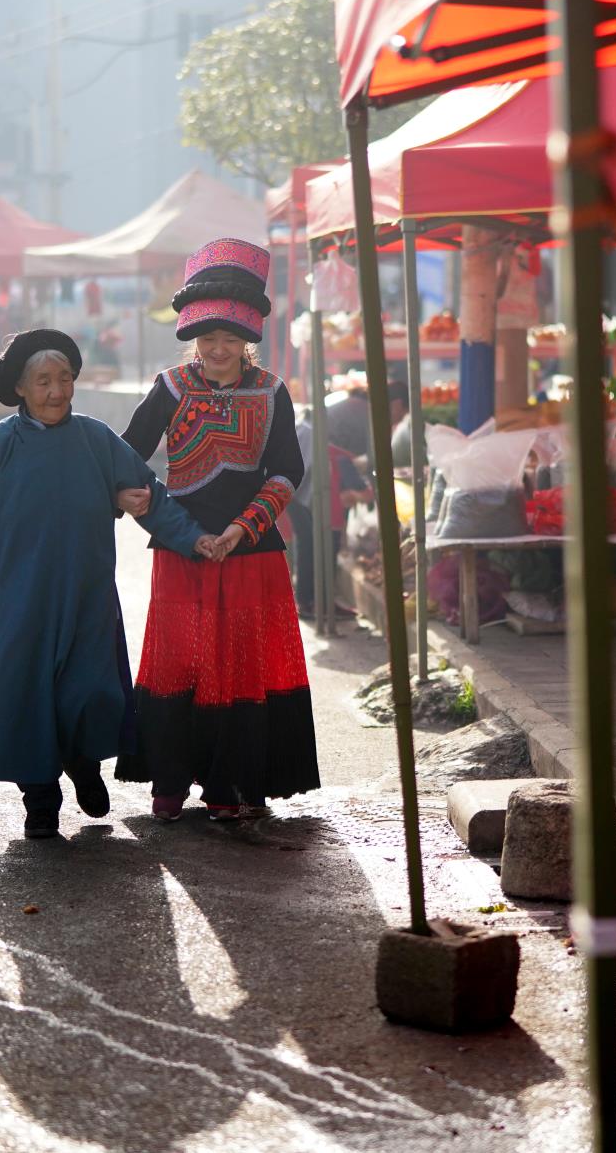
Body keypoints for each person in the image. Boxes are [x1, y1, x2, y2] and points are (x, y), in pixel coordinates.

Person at [0, 329, 210, 840]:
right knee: (24, 696)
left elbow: (149, 495)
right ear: (20, 388)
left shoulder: (95, 438)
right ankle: (39, 798)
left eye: (64, 379)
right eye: (43, 381)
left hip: (87, 595)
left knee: (90, 691)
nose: (57, 391)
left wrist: (195, 540)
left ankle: (83, 763)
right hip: (22, 599)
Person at [115, 238, 322, 821]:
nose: (219, 348)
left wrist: (239, 529)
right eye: (209, 338)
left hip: (251, 548)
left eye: (231, 338)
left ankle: (232, 784)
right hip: (182, 547)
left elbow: (287, 470)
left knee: (242, 661)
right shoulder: (171, 388)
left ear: (248, 339)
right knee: (179, 657)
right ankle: (170, 782)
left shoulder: (272, 391)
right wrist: (149, 509)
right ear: (193, 338)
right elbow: (130, 455)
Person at [291, 404, 371, 620]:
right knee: (315, 546)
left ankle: (315, 600)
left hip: (300, 495)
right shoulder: (316, 437)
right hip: (307, 499)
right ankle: (313, 601)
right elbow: (363, 490)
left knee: (312, 544)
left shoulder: (306, 430)